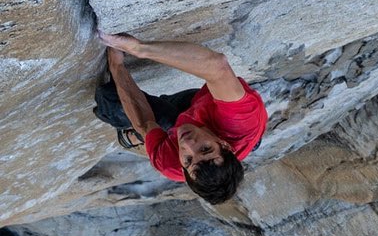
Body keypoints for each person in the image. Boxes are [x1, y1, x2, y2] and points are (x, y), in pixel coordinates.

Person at [93, 32, 267, 204]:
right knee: (175, 118)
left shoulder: (170, 164)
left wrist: (117, 66)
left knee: (111, 101)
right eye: (205, 149)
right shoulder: (238, 122)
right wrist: (139, 48)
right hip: (204, 110)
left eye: (188, 160)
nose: (188, 144)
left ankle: (135, 138)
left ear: (183, 171)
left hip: (194, 119)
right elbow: (217, 67)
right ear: (224, 144)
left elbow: (144, 123)